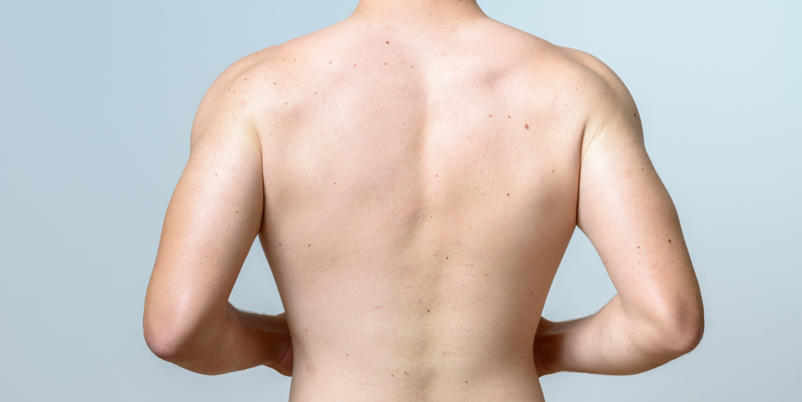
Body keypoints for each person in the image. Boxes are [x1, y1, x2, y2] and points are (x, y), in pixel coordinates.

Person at [143, 0, 704, 400]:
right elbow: (667, 322)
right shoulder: (577, 89)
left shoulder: (256, 92)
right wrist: (541, 349)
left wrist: (275, 346)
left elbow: (177, 329)